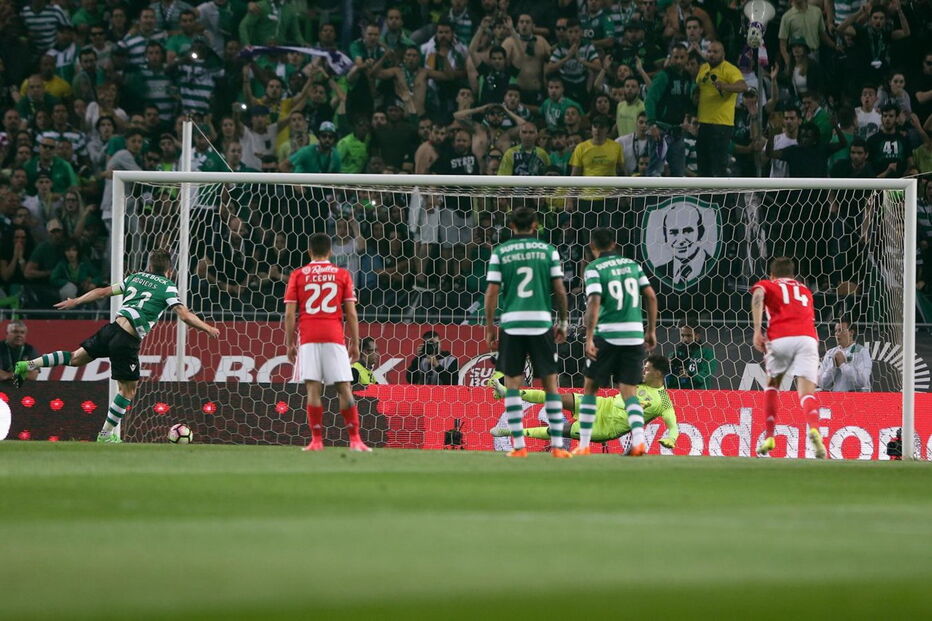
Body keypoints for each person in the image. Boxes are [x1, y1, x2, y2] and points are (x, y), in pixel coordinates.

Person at [13, 250, 220, 442]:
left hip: (110, 329)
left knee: (75, 358)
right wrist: (207, 328)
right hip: (127, 340)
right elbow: (183, 315)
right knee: (128, 391)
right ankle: (105, 434)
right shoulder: (168, 287)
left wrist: (75, 301)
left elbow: (102, 292)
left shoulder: (135, 278)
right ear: (169, 270)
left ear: (149, 266)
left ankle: (27, 365)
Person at [484, 207, 570, 458]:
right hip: (540, 322)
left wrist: (490, 326)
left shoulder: (501, 252)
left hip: (512, 324)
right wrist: (563, 322)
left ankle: (519, 446)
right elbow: (560, 290)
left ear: (511, 226)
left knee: (513, 385)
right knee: (551, 384)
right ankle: (557, 445)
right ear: (535, 225)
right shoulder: (548, 251)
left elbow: (491, 293)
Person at [283, 233, 370, 453]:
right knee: (344, 387)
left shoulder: (298, 275)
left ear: (309, 251)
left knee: (313, 388)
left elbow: (290, 314)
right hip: (334, 337)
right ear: (330, 251)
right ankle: (355, 440)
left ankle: (317, 441)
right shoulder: (342, 274)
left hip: (309, 338)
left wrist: (289, 343)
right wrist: (355, 343)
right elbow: (351, 313)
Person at [576, 227, 658, 456]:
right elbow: (651, 296)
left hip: (608, 334)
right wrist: (650, 331)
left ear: (593, 247)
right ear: (614, 244)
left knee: (590, 387)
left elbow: (594, 301)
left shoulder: (594, 268)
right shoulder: (633, 266)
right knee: (628, 390)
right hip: (633, 335)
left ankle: (583, 445)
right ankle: (639, 440)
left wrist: (589, 337)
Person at [491, 355, 677, 449]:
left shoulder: (663, 401)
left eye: (647, 369)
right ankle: (507, 392)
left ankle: (509, 431)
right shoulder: (636, 380)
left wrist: (671, 438)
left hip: (607, 427)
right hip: (603, 405)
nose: (643, 371)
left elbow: (673, 425)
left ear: (658, 374)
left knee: (557, 430)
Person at [750, 257, 826, 458]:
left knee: (773, 385)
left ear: (772, 275)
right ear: (794, 276)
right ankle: (814, 428)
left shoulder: (768, 284)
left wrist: (757, 330)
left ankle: (769, 436)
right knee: (807, 394)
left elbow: (758, 295)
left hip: (781, 337)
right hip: (808, 339)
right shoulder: (805, 291)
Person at [695, 41, 747, 177]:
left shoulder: (729, 69)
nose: (711, 54)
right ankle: (705, 197)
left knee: (718, 166)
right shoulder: (703, 68)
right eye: (709, 51)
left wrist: (725, 86)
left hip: (721, 124)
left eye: (715, 52)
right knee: (702, 165)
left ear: (723, 54)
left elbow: (743, 86)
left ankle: (722, 198)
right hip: (703, 123)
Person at [818, 319, 872, 391]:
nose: (837, 333)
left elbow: (862, 382)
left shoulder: (862, 352)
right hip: (836, 399)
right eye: (836, 331)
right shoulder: (830, 353)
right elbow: (822, 384)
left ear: (851, 333)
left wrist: (843, 365)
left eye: (840, 330)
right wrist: (833, 366)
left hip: (856, 400)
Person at [667, 322, 718, 389]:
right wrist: (670, 368)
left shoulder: (706, 353)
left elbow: (707, 373)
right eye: (682, 336)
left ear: (697, 336)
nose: (685, 339)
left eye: (689, 336)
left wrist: (690, 375)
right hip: (678, 393)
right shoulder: (674, 354)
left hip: (699, 394)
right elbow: (668, 379)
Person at [0, 320, 39, 386]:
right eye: (15, 332)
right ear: (7, 333)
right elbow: (1, 376)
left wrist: (9, 375)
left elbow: (33, 375)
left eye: (22, 332)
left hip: (22, 389)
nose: (19, 335)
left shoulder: (30, 350)